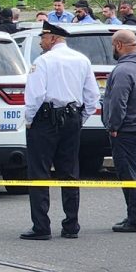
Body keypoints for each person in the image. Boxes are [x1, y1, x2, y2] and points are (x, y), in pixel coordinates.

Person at [21, 20, 100, 240]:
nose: (41, 42)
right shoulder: (82, 60)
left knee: (39, 173)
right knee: (70, 172)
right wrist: (80, 119)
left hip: (45, 120)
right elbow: (92, 97)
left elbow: (35, 96)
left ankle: (41, 226)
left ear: (53, 38)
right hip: (72, 118)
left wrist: (29, 120)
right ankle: (71, 225)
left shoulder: (43, 61)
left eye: (43, 38)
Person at [103, 28, 136, 232]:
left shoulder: (123, 70)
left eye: (113, 45)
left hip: (128, 130)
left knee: (129, 176)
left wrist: (113, 126)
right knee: (134, 174)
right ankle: (134, 215)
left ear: (119, 45)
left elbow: (118, 102)